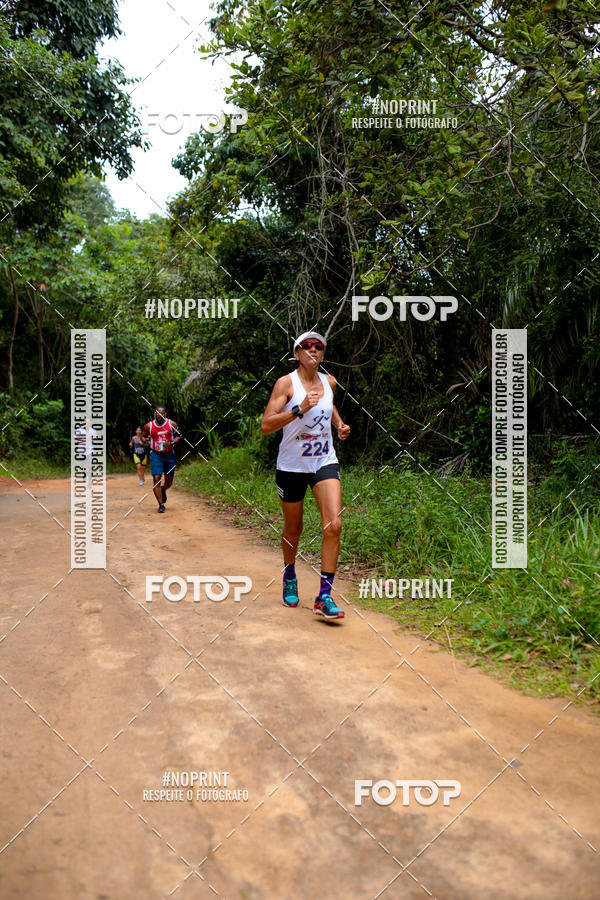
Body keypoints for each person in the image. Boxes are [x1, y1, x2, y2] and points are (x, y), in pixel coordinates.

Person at [261, 331, 351, 620]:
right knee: (293, 529)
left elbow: (329, 404)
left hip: (324, 461)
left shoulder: (330, 382)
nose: (313, 349)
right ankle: (289, 574)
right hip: (291, 466)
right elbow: (266, 425)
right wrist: (299, 409)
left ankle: (324, 596)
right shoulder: (285, 384)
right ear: (297, 353)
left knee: (334, 524)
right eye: (307, 346)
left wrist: (338, 424)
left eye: (319, 346)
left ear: (323, 354)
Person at [142, 406, 182, 513]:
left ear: (165, 414)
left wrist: (172, 442)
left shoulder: (172, 424)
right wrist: (145, 440)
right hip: (156, 455)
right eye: (157, 414)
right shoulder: (148, 426)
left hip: (169, 455)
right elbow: (143, 436)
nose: (160, 416)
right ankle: (161, 505)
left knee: (169, 482)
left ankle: (163, 489)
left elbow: (179, 436)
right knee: (156, 478)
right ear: (155, 414)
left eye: (162, 414)